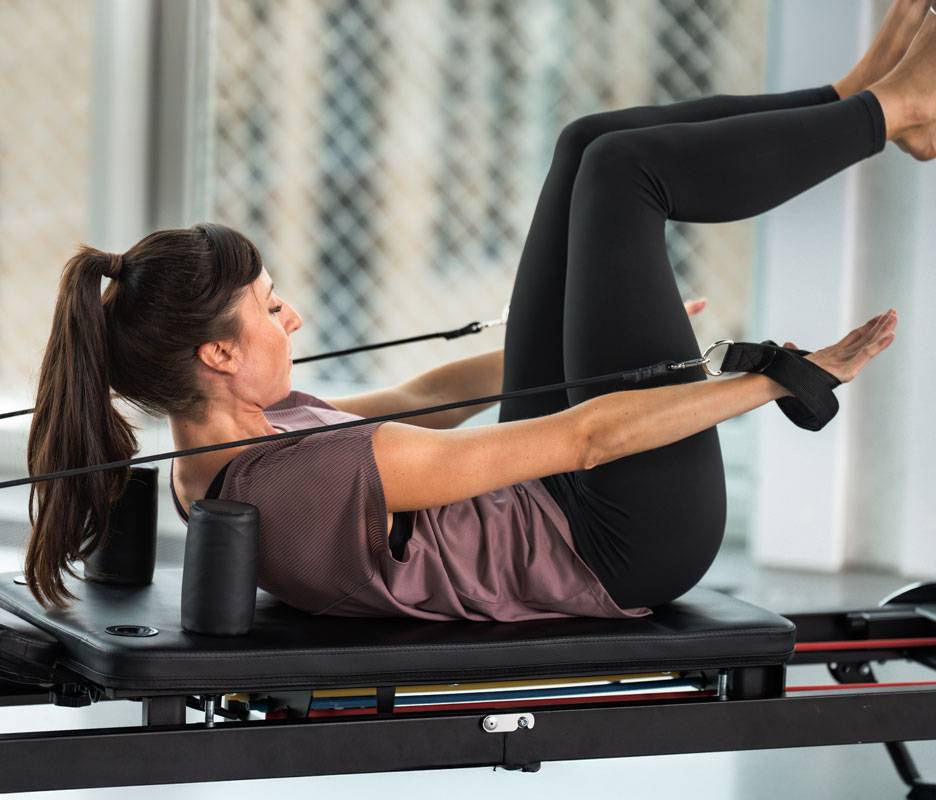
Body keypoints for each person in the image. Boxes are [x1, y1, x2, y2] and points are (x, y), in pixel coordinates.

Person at [24, 1, 932, 616]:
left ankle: (855, 98)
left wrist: (600, 309)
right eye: (267, 306)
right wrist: (779, 379)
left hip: (560, 505)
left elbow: (436, 393)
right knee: (628, 175)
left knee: (588, 145)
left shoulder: (232, 442)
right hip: (617, 544)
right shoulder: (307, 480)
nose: (290, 317)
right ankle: (898, 109)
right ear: (216, 355)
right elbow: (585, 440)